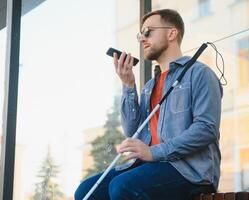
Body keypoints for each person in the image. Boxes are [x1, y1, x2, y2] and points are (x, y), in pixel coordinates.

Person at [75, 9, 223, 200]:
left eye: (148, 32)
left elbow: (206, 129)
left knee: (122, 187)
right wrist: (128, 85)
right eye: (140, 34)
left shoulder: (200, 74)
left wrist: (153, 152)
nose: (142, 39)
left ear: (171, 33)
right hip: (151, 166)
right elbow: (133, 131)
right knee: (86, 191)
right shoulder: (150, 86)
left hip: (189, 170)